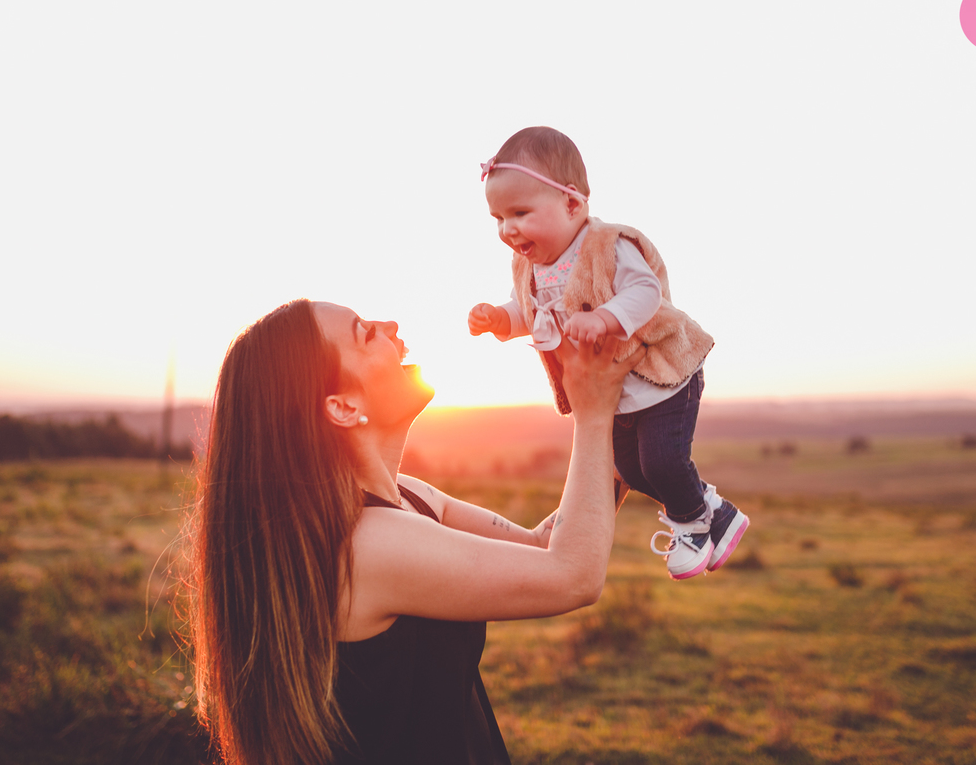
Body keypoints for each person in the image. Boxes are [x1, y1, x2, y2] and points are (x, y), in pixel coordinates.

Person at [185, 298, 643, 765]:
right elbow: (572, 575)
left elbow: (546, 544)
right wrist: (593, 412)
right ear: (343, 406)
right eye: (366, 332)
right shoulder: (366, 546)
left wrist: (632, 410)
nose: (391, 325)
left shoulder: (409, 498)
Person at [467, 126, 749, 580]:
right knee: (628, 470)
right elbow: (529, 310)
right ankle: (714, 509)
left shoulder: (607, 244)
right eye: (498, 218)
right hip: (615, 393)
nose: (508, 229)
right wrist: (501, 319)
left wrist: (604, 319)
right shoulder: (530, 267)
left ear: (573, 204)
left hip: (662, 375)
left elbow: (645, 291)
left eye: (519, 212)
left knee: (662, 461)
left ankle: (694, 522)